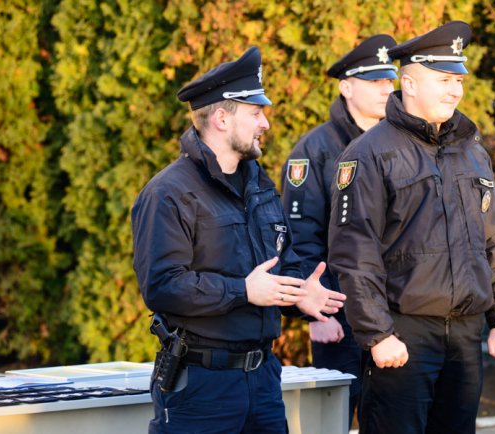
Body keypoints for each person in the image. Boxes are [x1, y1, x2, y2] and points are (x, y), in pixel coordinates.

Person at [131, 46, 346, 434]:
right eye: (255, 113)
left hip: (263, 380)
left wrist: (300, 295)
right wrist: (243, 291)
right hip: (201, 387)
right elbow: (162, 286)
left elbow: (281, 263)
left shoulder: (259, 185)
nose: (266, 123)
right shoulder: (169, 193)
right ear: (221, 118)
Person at [327, 21, 495, 434]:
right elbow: (355, 254)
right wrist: (377, 334)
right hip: (403, 336)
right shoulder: (369, 153)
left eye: (459, 81)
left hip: (465, 337)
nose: (455, 91)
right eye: (444, 80)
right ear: (410, 83)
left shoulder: (472, 151)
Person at [280, 34, 397, 428]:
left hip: (395, 313)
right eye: (374, 81)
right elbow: (300, 238)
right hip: (339, 314)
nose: (386, 89)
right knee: (334, 420)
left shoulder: (400, 143)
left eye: (389, 80)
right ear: (346, 88)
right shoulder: (314, 150)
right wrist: (317, 314)